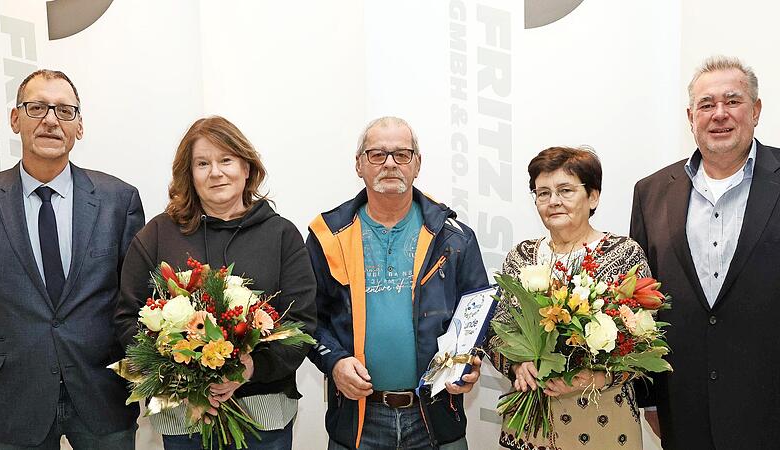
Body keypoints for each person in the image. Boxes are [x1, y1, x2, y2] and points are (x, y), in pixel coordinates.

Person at [114, 116, 316, 450]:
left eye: (226, 160)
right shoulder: (158, 234)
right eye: (203, 163)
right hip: (184, 416)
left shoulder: (281, 235)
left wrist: (250, 367)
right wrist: (186, 380)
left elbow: (302, 322)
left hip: (264, 417)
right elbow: (127, 318)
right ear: (189, 175)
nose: (216, 172)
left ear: (247, 168)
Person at [0, 69, 144, 449]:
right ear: (14, 119)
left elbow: (136, 302)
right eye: (37, 107)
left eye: (65, 111)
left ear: (80, 126)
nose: (51, 120)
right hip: (11, 394)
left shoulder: (119, 200)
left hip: (103, 389)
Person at [306, 116, 488, 450]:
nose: (390, 164)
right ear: (359, 164)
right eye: (377, 154)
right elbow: (309, 320)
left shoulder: (454, 237)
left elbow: (477, 315)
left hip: (434, 415)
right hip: (359, 419)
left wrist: (469, 363)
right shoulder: (327, 236)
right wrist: (334, 361)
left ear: (417, 164)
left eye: (402, 154)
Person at [630, 56, 780, 449]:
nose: (719, 114)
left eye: (732, 101)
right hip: (684, 406)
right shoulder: (651, 192)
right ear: (690, 115)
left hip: (770, 405)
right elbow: (640, 306)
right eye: (707, 104)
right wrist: (648, 400)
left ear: (757, 110)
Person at [488, 146, 650, 450]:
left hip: (605, 420)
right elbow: (497, 334)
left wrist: (594, 378)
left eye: (565, 190)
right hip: (534, 421)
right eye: (543, 193)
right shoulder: (521, 257)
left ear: (593, 197)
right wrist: (516, 366)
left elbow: (643, 342)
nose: (554, 202)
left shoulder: (624, 254)